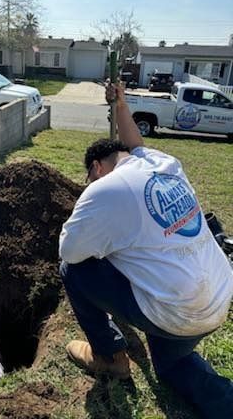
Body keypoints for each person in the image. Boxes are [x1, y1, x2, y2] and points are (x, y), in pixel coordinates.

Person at [59, 81, 233, 419]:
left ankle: (109, 357)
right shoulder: (164, 162)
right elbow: (136, 144)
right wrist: (121, 105)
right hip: (218, 300)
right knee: (173, 367)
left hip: (174, 312)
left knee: (73, 270)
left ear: (95, 168)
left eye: (88, 178)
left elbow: (70, 250)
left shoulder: (104, 190)